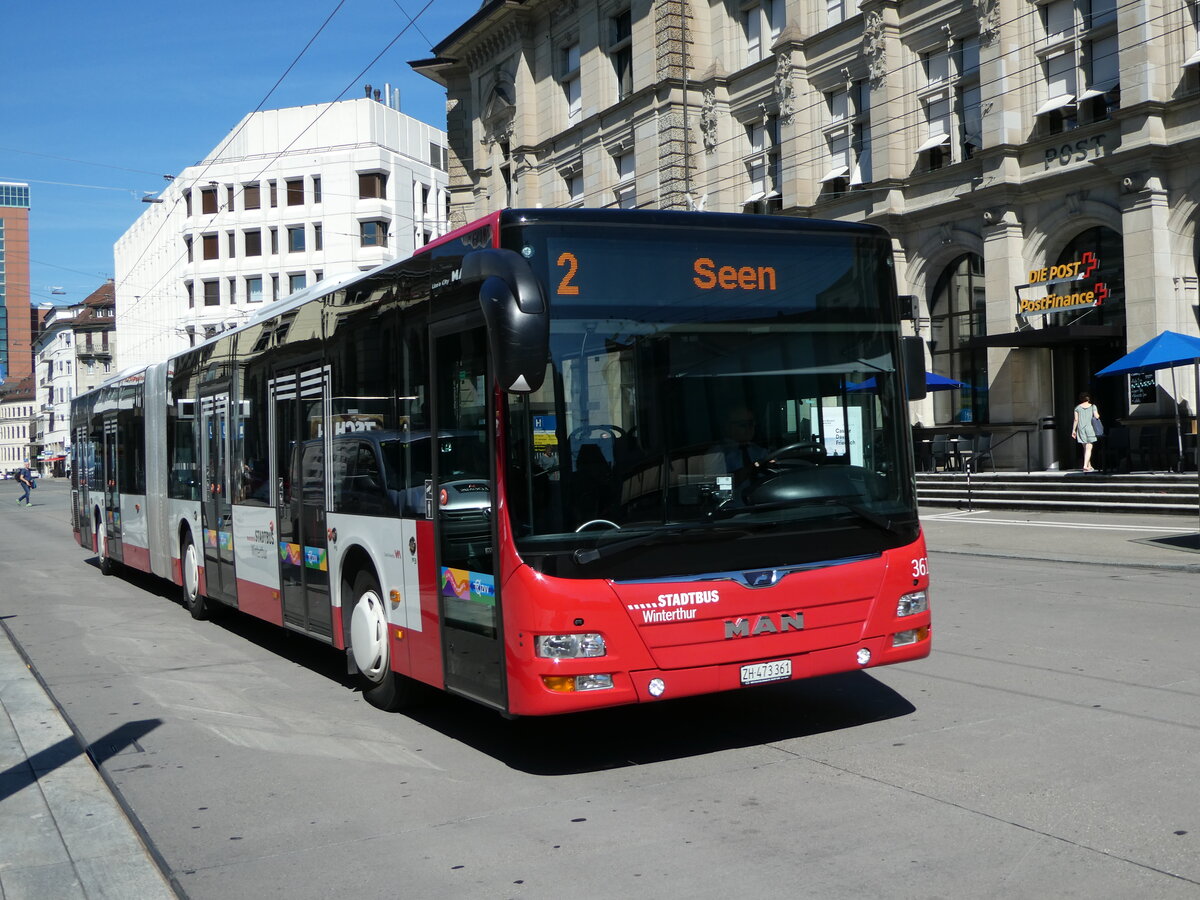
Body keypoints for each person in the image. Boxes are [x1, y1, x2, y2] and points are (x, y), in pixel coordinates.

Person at [716, 406, 768, 475]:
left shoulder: (760, 451)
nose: (749, 428)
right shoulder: (717, 454)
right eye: (743, 424)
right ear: (728, 426)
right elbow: (715, 480)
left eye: (751, 423)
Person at [1071, 392, 1101, 472]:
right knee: (1089, 448)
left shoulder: (1077, 408)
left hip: (1081, 429)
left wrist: (1073, 430)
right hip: (1090, 429)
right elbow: (1096, 416)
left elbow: (1076, 419)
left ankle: (1089, 465)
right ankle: (1085, 465)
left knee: (1085, 448)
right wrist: (1098, 415)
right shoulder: (1093, 406)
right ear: (1089, 398)